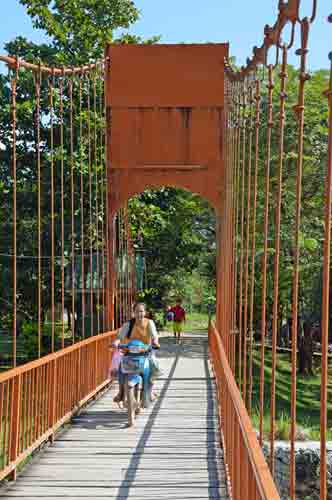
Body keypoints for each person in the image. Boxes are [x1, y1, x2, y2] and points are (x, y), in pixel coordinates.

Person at [113, 302, 160, 405]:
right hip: (130, 353)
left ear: (145, 312)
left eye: (142, 311)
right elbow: (119, 337)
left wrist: (155, 341)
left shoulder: (149, 323)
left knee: (154, 365)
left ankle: (150, 390)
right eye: (137, 311)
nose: (139, 314)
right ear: (133, 313)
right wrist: (116, 343)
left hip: (145, 352)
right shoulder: (128, 324)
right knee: (121, 367)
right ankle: (121, 392)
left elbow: (154, 335)